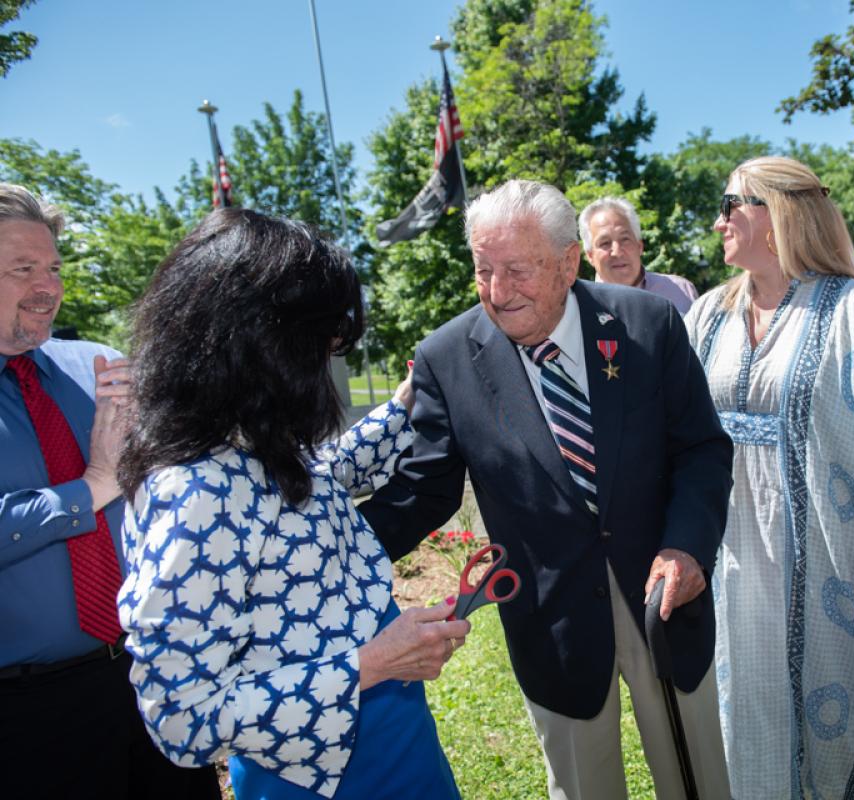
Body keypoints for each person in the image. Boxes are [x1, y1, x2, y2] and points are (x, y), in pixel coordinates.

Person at [360, 179, 734, 800]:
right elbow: (423, 490)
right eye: (484, 270)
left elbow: (700, 448)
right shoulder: (446, 358)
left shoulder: (647, 323)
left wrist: (688, 547)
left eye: (516, 270)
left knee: (698, 780)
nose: (498, 293)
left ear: (567, 262)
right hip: (551, 617)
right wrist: (326, 549)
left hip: (662, 600)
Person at [117, 208, 471, 799]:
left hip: (391, 737)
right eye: (322, 341)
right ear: (262, 345)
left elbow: (315, 480)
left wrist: (405, 404)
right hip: (324, 777)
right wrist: (371, 664)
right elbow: (181, 718)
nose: (333, 355)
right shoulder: (195, 494)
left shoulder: (248, 442)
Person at [685, 157, 854, 799]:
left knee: (838, 707)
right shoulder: (707, 315)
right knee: (746, 701)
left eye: (731, 203)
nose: (718, 221)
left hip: (833, 551)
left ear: (777, 214)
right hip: (731, 550)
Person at [0, 183, 220, 799]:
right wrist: (93, 484)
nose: (49, 287)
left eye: (54, 268)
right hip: (29, 711)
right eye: (24, 270)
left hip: (152, 670)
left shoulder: (91, 371)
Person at [580, 196, 699, 314]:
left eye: (625, 239)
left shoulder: (680, 292)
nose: (617, 252)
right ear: (590, 256)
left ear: (640, 246)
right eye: (605, 243)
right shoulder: (579, 309)